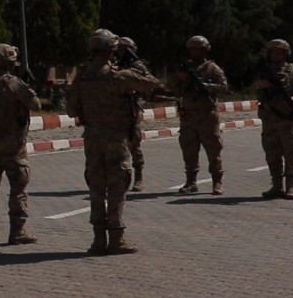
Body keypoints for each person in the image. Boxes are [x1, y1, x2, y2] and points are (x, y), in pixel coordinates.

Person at [66, 29, 163, 255]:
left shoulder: (81, 76)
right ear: (112, 50)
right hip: (116, 138)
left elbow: (71, 110)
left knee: (96, 188)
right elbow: (153, 84)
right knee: (118, 187)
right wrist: (135, 64)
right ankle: (117, 239)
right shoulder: (120, 76)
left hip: (92, 138)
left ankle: (98, 240)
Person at [0, 43, 40, 244]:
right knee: (18, 187)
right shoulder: (12, 83)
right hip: (12, 144)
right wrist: (28, 88)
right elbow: (35, 105)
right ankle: (17, 231)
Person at [171, 35, 229, 195]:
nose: (196, 53)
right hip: (188, 115)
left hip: (207, 114)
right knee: (189, 149)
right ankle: (191, 182)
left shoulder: (212, 68)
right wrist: (179, 78)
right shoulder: (184, 68)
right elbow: (172, 87)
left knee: (213, 149)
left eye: (199, 50)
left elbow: (223, 87)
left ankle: (217, 181)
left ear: (205, 50)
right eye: (193, 50)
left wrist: (206, 86)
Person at [251, 39, 293, 199]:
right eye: (273, 52)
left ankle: (291, 187)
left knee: (291, 153)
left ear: (286, 54)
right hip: (269, 119)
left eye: (280, 52)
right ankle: (276, 186)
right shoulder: (264, 70)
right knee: (272, 153)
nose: (276, 55)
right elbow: (253, 87)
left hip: (286, 119)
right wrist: (259, 84)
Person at [113, 36, 153, 191]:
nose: (121, 52)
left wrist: (139, 98)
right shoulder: (115, 65)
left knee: (134, 144)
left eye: (124, 49)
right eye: (119, 49)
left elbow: (149, 86)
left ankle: (139, 177)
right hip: (116, 111)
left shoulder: (138, 67)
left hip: (131, 110)